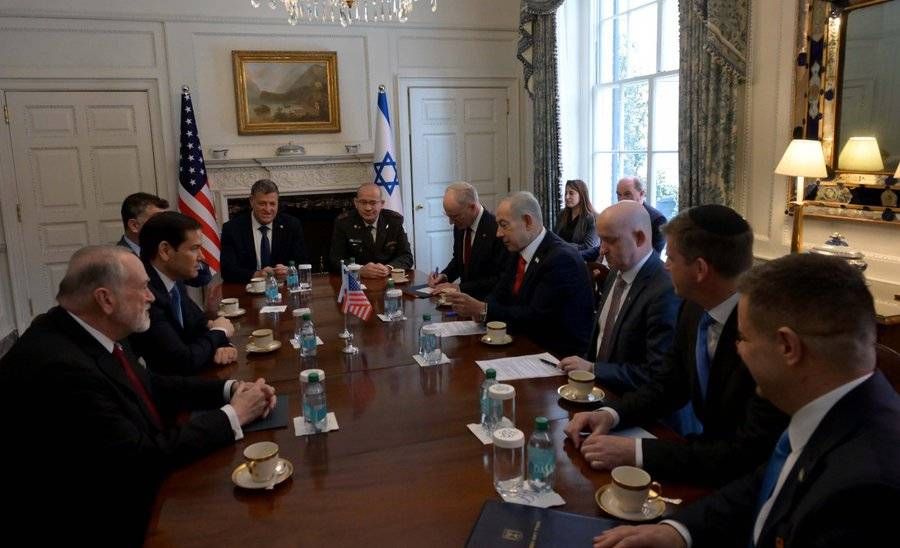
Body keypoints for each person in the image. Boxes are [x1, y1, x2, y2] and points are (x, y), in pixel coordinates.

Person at [592, 254, 900, 548]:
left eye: (743, 338)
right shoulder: (836, 409)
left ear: (788, 347)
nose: (737, 349)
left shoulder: (865, 490)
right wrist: (678, 532)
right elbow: (767, 485)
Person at [0, 245, 276, 545]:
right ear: (105, 299)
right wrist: (234, 415)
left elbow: (150, 385)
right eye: (143, 287)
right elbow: (141, 458)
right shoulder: (62, 368)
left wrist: (230, 389)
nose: (151, 297)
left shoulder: (85, 329)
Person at [564, 205, 787, 487]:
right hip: (703, 462)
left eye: (671, 257)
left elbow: (741, 453)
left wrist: (637, 452)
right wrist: (610, 414)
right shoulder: (693, 308)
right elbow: (667, 386)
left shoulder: (762, 338)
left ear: (700, 269)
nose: (665, 265)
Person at [445, 191, 594, 357]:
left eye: (504, 225)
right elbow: (499, 293)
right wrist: (481, 310)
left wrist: (484, 310)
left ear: (528, 222)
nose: (498, 233)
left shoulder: (561, 259)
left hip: (555, 355)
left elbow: (535, 317)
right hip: (523, 343)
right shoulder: (518, 250)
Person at [557, 201, 679, 394]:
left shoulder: (664, 290)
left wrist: (593, 369)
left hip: (633, 404)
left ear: (639, 238)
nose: (602, 249)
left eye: (610, 240)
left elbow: (656, 375)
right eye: (601, 240)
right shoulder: (617, 271)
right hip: (595, 391)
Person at [131, 212, 237, 375]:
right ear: (165, 251)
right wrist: (220, 332)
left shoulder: (174, 280)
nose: (202, 257)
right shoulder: (145, 294)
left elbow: (199, 324)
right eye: (194, 249)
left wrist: (223, 345)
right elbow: (182, 360)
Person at [426, 182, 510, 299]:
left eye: (455, 216)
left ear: (472, 207)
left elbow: (500, 278)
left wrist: (460, 288)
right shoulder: (460, 224)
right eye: (448, 216)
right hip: (464, 300)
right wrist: (444, 276)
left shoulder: (496, 230)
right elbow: (459, 260)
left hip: (487, 300)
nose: (451, 222)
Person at [220, 178, 309, 283]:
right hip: (248, 288)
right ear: (251, 201)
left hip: (282, 288)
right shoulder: (232, 228)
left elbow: (303, 264)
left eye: (272, 204)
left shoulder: (292, 225)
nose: (268, 209)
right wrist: (257, 274)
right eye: (262, 203)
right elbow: (227, 271)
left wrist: (289, 271)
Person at [118, 191, 212, 287]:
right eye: (157, 219)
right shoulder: (118, 262)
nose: (165, 224)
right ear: (134, 225)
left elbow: (203, 277)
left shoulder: (171, 246)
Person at [329, 182, 414, 277]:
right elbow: (335, 259)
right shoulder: (344, 223)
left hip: (387, 278)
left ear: (381, 204)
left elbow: (406, 256)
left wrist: (388, 268)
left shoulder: (394, 221)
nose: (368, 208)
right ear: (356, 203)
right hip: (356, 280)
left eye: (373, 203)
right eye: (363, 202)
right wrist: (359, 270)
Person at [616, 176, 667, 253]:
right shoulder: (615, 215)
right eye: (619, 195)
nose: (621, 199)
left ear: (642, 194)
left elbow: (653, 255)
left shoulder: (658, 220)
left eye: (627, 194)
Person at [555, 179, 599, 251]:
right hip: (561, 255)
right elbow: (555, 239)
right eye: (566, 193)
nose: (567, 197)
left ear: (581, 195)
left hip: (581, 257)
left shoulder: (593, 218)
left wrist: (562, 246)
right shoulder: (561, 215)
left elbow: (588, 247)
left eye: (571, 193)